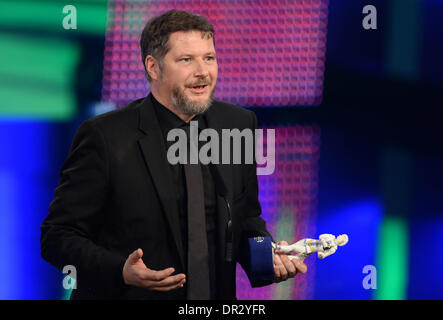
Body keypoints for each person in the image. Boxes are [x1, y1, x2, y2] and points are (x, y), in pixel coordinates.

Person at [40, 9, 307, 300]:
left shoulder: (238, 124)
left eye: (209, 58)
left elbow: (246, 220)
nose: (203, 72)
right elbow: (58, 236)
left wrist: (267, 260)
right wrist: (121, 270)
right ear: (153, 67)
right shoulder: (106, 136)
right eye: (186, 60)